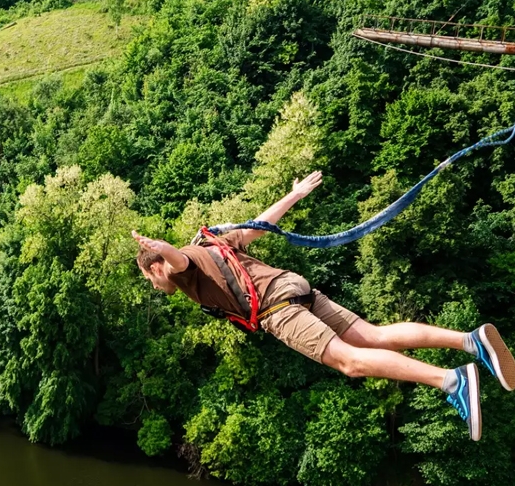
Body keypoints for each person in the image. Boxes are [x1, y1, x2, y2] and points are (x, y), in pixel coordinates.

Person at [132, 171, 515, 441]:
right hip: (294, 286)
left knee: (350, 362)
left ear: (156, 268)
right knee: (375, 336)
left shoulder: (183, 267)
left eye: (151, 277)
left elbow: (174, 259)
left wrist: (158, 246)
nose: (155, 284)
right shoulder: (211, 244)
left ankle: (451, 381)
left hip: (275, 309)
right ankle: (470, 340)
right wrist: (294, 194)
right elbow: (257, 226)